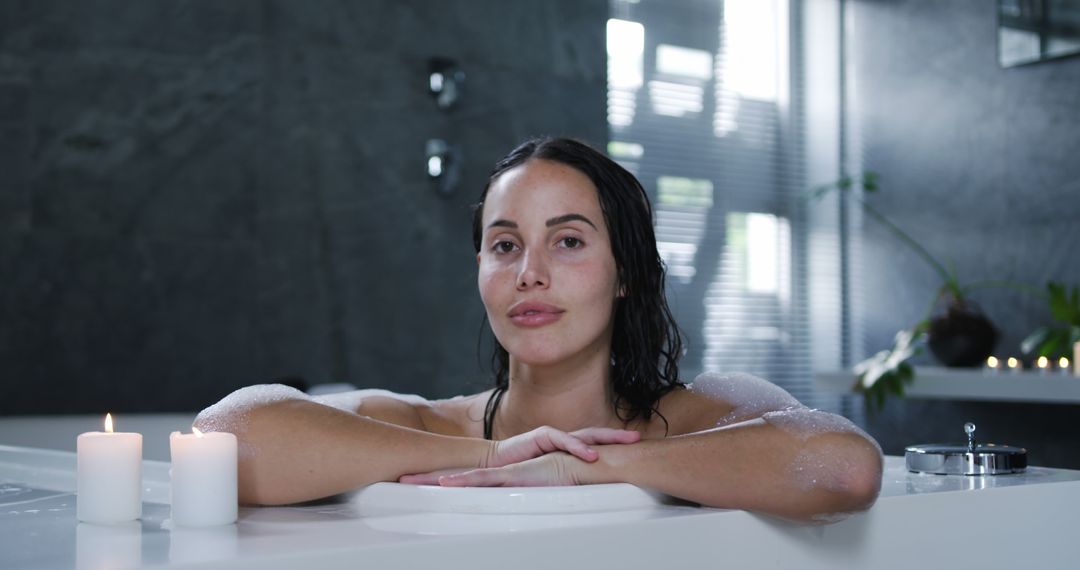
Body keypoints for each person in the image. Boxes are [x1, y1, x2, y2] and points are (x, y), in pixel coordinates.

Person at [195, 137, 882, 522]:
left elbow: (843, 466)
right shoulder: (430, 429)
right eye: (504, 245)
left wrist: (594, 464)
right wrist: (497, 458)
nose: (529, 272)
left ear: (626, 273)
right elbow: (223, 436)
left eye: (570, 242)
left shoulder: (697, 419)